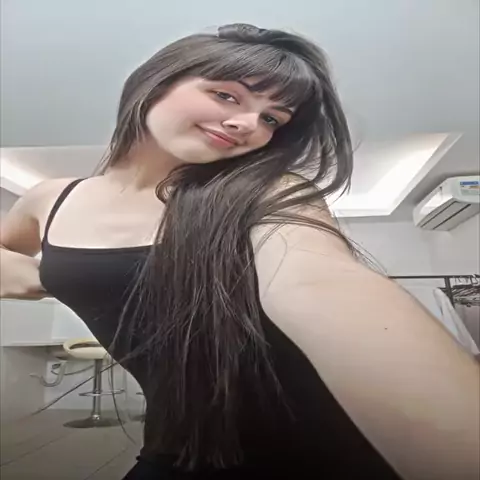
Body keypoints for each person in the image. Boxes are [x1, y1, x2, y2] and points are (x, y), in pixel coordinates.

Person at [0, 23, 478, 480]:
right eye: (227, 95)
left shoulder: (267, 191)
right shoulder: (49, 198)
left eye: (272, 119)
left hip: (333, 451)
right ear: (156, 81)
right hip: (179, 449)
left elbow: (318, 282)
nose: (247, 123)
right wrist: (49, 277)